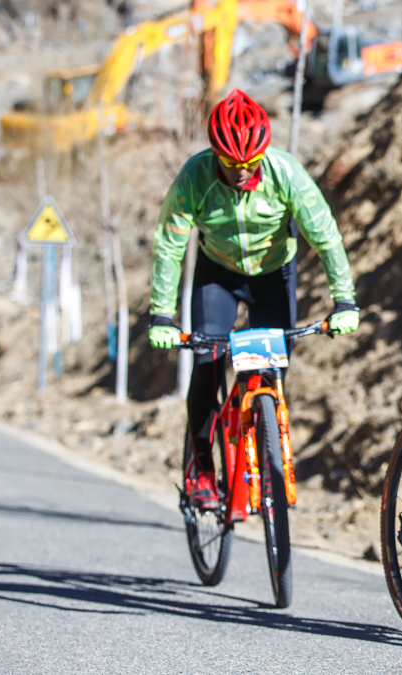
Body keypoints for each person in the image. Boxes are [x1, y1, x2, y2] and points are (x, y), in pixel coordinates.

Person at [148, 89, 359, 509]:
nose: (242, 171)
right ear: (216, 155)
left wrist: (344, 300)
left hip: (273, 276)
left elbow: (326, 238)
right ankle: (203, 471)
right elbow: (168, 246)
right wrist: (161, 313)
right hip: (217, 277)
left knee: (270, 369)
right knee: (207, 366)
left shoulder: (286, 173)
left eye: (249, 163)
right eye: (231, 163)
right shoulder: (195, 176)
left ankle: (263, 446)